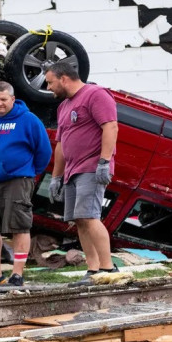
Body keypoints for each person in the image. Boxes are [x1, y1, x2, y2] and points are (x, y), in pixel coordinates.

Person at [44, 63, 118, 285]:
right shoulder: (63, 106)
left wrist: (104, 162)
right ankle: (93, 270)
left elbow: (111, 126)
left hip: (91, 167)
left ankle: (108, 268)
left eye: (50, 82)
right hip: (72, 171)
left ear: (64, 78)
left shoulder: (95, 95)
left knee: (89, 216)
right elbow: (61, 144)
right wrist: (56, 177)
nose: (48, 87)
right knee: (79, 219)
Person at [0, 81, 52, 287]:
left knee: (19, 225)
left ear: (13, 99)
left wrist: (28, 172)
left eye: (3, 100)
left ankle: (17, 274)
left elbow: (44, 151)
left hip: (17, 180)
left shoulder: (28, 120)